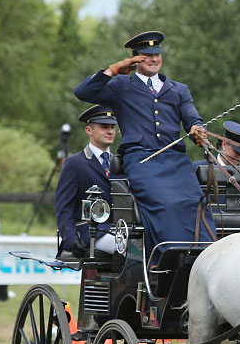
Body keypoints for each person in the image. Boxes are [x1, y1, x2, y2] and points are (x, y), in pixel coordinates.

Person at [73, 30, 215, 266]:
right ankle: (169, 260)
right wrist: (114, 69)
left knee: (195, 202)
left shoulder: (179, 89)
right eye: (147, 56)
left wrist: (198, 130)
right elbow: (83, 92)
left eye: (157, 54)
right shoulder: (120, 85)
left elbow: (192, 119)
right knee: (166, 204)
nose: (153, 59)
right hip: (141, 161)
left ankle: (206, 256)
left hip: (176, 161)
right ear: (135, 59)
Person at [54, 105, 117, 257]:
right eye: (104, 127)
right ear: (89, 130)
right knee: (128, 248)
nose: (110, 131)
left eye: (112, 127)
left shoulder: (121, 162)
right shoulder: (75, 163)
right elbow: (64, 208)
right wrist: (71, 239)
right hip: (91, 232)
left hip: (120, 230)